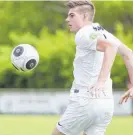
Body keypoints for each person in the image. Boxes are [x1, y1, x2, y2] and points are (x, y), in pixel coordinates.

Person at [51, 1, 133, 135]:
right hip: (105, 104)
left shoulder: (83, 33)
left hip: (85, 100)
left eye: (72, 15)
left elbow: (109, 47)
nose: (67, 19)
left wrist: (101, 80)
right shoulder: (101, 31)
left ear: (84, 16)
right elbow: (128, 53)